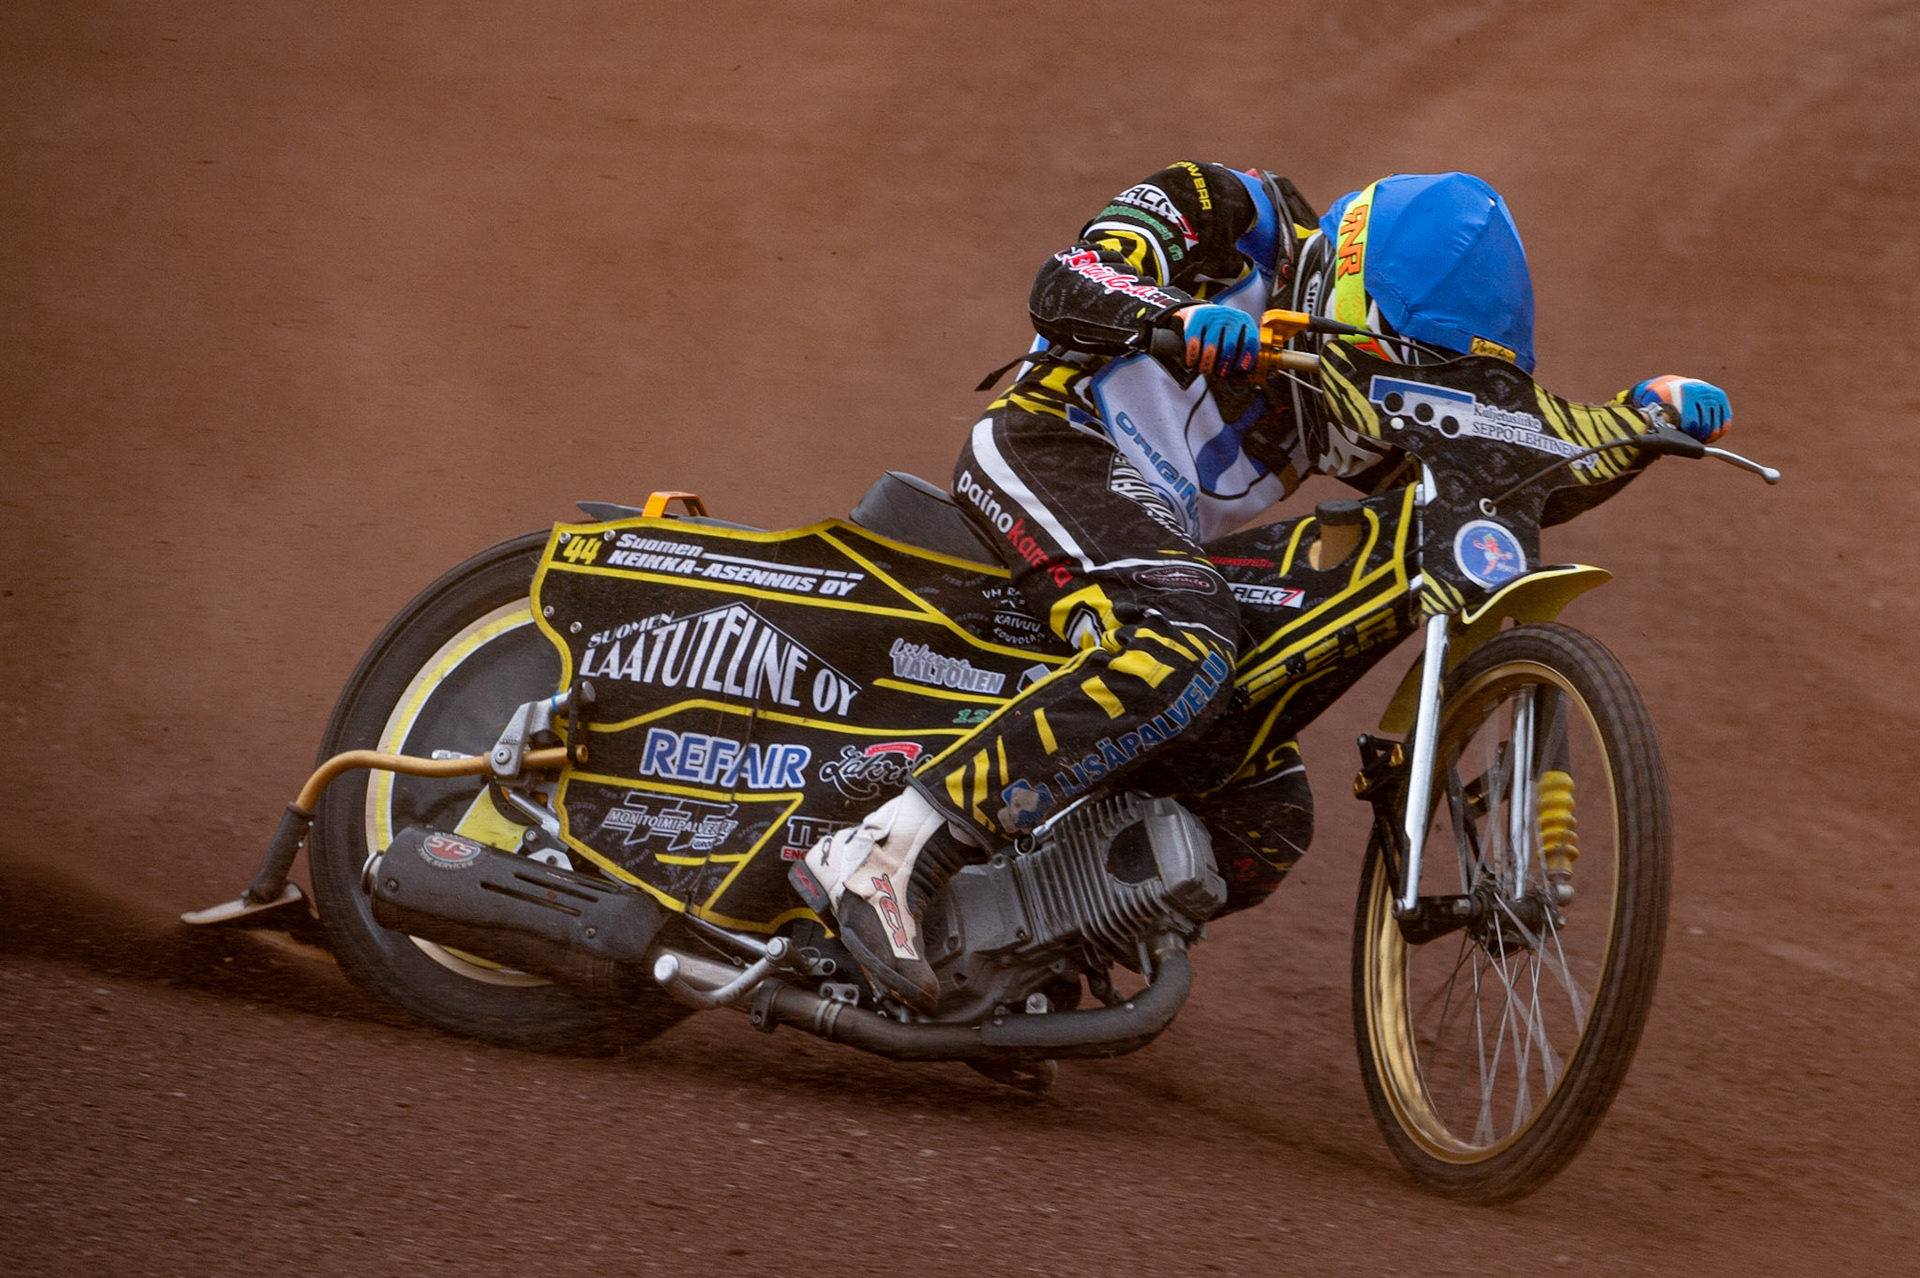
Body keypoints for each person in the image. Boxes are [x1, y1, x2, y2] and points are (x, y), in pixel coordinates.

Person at [792, 163, 1732, 1013]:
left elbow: (1515, 471)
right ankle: (886, 851)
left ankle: (1013, 957)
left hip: (1153, 542)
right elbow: (1066, 282)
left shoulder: (1368, 372)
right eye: (1389, 361)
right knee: (1184, 644)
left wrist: (1634, 421)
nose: (1389, 395)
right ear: (1340, 290)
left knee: (1264, 808)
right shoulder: (1224, 211)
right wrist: (1171, 315)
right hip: (1054, 445)